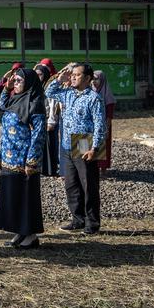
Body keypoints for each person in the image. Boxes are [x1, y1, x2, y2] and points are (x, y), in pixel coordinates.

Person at [46, 63, 106, 235]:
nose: (72, 77)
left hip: (84, 141)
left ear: (87, 78)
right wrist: (59, 80)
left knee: (88, 184)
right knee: (71, 185)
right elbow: (49, 93)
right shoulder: (68, 94)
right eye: (72, 74)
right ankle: (77, 219)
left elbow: (100, 126)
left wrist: (95, 147)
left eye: (77, 75)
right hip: (66, 143)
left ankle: (92, 223)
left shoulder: (94, 98)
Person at [0, 68, 46, 249]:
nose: (15, 83)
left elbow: (39, 136)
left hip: (24, 162)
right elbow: (2, 104)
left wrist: (31, 161)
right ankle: (19, 231)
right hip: (9, 159)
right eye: (14, 80)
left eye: (19, 80)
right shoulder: (14, 100)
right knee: (13, 198)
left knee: (26, 198)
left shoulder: (35, 104)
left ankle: (30, 236)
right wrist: (6, 87)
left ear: (29, 83)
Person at [33, 63, 61, 178]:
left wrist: (51, 122)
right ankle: (41, 168)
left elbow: (53, 105)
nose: (38, 77)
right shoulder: (35, 88)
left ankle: (50, 170)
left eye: (40, 74)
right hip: (37, 122)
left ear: (45, 75)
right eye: (36, 74)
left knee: (50, 146)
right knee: (40, 146)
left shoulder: (49, 88)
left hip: (48, 122)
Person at [92, 70, 116, 173]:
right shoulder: (90, 92)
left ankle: (103, 168)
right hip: (91, 125)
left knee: (104, 145)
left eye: (96, 79)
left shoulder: (107, 95)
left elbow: (109, 114)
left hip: (104, 125)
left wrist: (106, 127)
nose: (94, 81)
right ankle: (94, 167)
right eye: (92, 79)